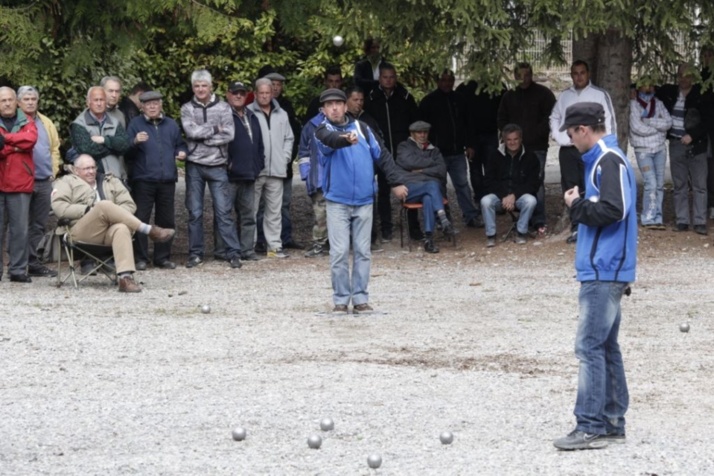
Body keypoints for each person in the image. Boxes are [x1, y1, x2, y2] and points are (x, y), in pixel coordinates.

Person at [553, 102, 637, 451]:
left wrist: (577, 206)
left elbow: (615, 210)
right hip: (605, 267)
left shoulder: (609, 160)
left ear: (584, 129)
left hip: (605, 270)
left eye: (572, 134)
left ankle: (590, 426)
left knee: (588, 346)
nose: (572, 142)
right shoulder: (605, 160)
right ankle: (613, 421)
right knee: (605, 345)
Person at [315, 88, 408, 314]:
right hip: (337, 201)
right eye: (330, 104)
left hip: (365, 200)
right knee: (339, 252)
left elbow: (383, 155)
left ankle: (360, 299)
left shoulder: (363, 128)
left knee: (363, 252)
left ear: (346, 106)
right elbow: (331, 140)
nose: (335, 107)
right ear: (323, 110)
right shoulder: (321, 131)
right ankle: (340, 300)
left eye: (338, 103)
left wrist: (395, 182)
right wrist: (345, 139)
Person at [51, 155, 176, 292]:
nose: (91, 171)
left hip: (108, 232)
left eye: (93, 167)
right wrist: (88, 209)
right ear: (75, 170)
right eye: (86, 168)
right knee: (104, 205)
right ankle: (149, 230)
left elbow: (129, 205)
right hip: (79, 231)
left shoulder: (110, 180)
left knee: (121, 228)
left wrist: (113, 215)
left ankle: (125, 279)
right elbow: (59, 208)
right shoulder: (66, 182)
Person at [180, 69, 242, 269]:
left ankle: (233, 252)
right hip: (194, 166)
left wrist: (202, 136)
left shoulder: (224, 108)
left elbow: (230, 135)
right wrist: (215, 129)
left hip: (218, 165)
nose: (200, 89)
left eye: (204, 85)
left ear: (210, 87)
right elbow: (190, 131)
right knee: (195, 212)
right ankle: (195, 253)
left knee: (224, 211)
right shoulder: (187, 108)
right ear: (193, 88)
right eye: (197, 86)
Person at [550, 60, 617, 243]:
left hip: (592, 149)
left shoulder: (599, 94)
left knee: (591, 185)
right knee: (571, 187)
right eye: (575, 73)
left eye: (582, 73)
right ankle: (576, 227)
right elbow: (554, 118)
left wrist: (604, 146)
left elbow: (609, 122)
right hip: (569, 151)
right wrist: (563, 138)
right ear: (571, 75)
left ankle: (592, 226)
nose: (579, 77)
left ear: (588, 74)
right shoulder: (565, 96)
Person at [126, 90, 187, 270]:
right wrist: (135, 141)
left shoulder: (171, 124)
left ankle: (163, 257)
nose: (152, 107)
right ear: (142, 107)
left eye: (155, 103)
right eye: (148, 104)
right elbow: (125, 150)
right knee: (141, 219)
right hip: (143, 179)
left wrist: (182, 152)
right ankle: (141, 258)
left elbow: (180, 144)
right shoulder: (135, 124)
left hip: (167, 179)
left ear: (161, 105)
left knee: (166, 220)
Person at [497, 62, 556, 235]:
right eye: (520, 75)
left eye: (527, 75)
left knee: (537, 183)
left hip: (537, 147)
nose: (524, 79)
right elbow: (501, 119)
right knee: (516, 181)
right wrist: (509, 138)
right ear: (515, 77)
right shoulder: (508, 96)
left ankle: (538, 220)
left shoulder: (544, 94)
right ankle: (524, 218)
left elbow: (550, 117)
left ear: (532, 75)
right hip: (514, 149)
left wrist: (536, 134)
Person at [419, 69, 481, 228]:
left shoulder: (460, 100)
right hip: (437, 153)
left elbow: (469, 124)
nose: (447, 83)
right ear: (438, 82)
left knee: (462, 185)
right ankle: (442, 218)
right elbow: (421, 130)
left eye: (450, 80)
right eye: (443, 80)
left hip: (458, 152)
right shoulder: (428, 101)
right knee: (439, 187)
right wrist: (427, 148)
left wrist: (470, 144)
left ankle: (470, 216)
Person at [365, 62, 419, 242]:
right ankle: (386, 227)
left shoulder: (404, 96)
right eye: (385, 77)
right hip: (382, 151)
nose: (388, 81)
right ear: (380, 78)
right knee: (383, 190)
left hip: (403, 151)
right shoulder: (371, 97)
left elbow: (415, 122)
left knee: (408, 188)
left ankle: (413, 227)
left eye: (392, 77)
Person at [656, 63, 709, 234]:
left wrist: (693, 135)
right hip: (676, 143)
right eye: (680, 75)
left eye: (687, 75)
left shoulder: (702, 94)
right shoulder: (669, 92)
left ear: (692, 77)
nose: (683, 79)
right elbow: (646, 85)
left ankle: (700, 221)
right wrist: (634, 90)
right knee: (679, 184)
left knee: (700, 184)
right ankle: (682, 220)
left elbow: (708, 120)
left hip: (697, 145)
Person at [16, 85, 61, 278]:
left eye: (33, 99)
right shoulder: (13, 122)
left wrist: (54, 171)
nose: (30, 102)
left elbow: (54, 148)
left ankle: (33, 262)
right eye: (26, 99)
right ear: (18, 102)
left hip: (44, 180)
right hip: (20, 182)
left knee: (39, 224)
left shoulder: (46, 122)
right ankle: (17, 264)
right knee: (19, 224)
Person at [247, 78, 294, 259]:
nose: (265, 96)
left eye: (268, 92)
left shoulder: (282, 113)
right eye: (262, 93)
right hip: (255, 171)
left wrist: (285, 158)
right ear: (256, 93)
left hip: (277, 169)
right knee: (251, 210)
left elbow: (289, 138)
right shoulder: (248, 112)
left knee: (274, 211)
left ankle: (274, 247)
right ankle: (248, 247)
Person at [395, 121, 455, 253]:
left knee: (428, 197)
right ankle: (443, 217)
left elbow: (441, 170)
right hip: (409, 190)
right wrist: (431, 165)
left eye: (425, 132)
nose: (422, 135)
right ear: (412, 133)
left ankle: (429, 239)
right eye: (419, 132)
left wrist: (421, 171)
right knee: (432, 185)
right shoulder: (404, 147)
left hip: (428, 190)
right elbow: (408, 162)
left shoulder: (434, 150)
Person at [221, 81, 264, 262]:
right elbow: (218, 143)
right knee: (225, 215)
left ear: (247, 96)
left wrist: (258, 164)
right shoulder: (222, 115)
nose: (238, 96)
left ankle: (247, 250)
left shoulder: (252, 116)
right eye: (235, 93)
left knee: (248, 215)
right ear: (228, 94)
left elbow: (259, 144)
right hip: (229, 175)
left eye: (241, 93)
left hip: (249, 174)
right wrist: (227, 163)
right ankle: (223, 251)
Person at [0, 86, 38, 283]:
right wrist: (15, 147)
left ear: (16, 101)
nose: (6, 103)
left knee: (20, 230)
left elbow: (30, 140)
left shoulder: (28, 120)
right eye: (2, 100)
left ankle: (17, 269)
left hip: (20, 181)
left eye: (9, 99)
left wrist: (5, 141)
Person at [480, 124, 540, 247]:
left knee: (531, 201)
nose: (512, 142)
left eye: (515, 139)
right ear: (504, 140)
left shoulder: (531, 157)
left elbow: (534, 183)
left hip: (520, 196)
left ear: (521, 139)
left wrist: (514, 195)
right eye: (509, 139)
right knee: (485, 201)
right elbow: (489, 181)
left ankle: (521, 232)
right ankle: (491, 235)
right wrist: (503, 196)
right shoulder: (495, 155)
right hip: (499, 196)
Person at [629, 78, 672, 229]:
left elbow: (668, 123)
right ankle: (648, 217)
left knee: (659, 184)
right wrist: (658, 129)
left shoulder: (658, 103)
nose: (648, 88)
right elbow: (636, 128)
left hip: (660, 149)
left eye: (651, 85)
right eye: (645, 85)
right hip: (643, 151)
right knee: (650, 183)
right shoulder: (633, 104)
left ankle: (657, 217)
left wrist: (648, 121)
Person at [457, 79, 502, 220]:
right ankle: (481, 200)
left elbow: (501, 110)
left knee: (491, 169)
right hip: (472, 137)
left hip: (490, 134)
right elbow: (461, 116)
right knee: (475, 171)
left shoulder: (496, 85)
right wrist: (467, 142)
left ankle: (491, 199)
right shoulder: (464, 88)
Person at [70, 86, 131, 181]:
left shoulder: (115, 122)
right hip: (90, 178)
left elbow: (125, 145)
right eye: (96, 100)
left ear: (106, 102)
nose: (99, 103)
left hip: (114, 176)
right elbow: (87, 149)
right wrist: (114, 148)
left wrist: (104, 140)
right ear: (88, 103)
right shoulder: (79, 124)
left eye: (101, 100)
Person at [299, 107, 328, 258]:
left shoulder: (348, 124)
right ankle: (319, 245)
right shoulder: (311, 125)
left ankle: (339, 243)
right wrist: (306, 174)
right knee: (320, 215)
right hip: (318, 178)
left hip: (340, 179)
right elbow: (303, 151)